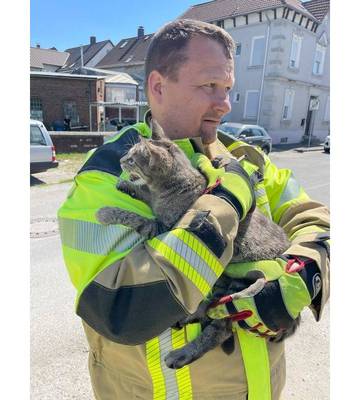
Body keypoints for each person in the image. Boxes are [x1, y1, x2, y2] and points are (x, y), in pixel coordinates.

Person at [58, 19, 330, 400]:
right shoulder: (104, 175)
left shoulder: (244, 158)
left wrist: (301, 274)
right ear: (158, 86)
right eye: (209, 86)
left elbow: (316, 221)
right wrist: (227, 202)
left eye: (228, 89)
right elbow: (125, 307)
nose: (225, 104)